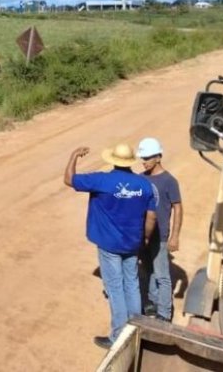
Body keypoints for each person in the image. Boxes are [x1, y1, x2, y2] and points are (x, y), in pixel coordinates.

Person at [65, 142, 157, 350]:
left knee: (115, 288)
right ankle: (136, 331)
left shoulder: (102, 180)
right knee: (132, 285)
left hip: (109, 244)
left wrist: (73, 156)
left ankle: (119, 336)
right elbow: (151, 216)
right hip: (132, 242)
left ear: (113, 160)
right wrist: (145, 239)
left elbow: (69, 179)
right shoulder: (144, 185)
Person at [137, 137, 182, 322]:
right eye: (142, 157)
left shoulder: (169, 181)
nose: (144, 161)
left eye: (147, 157)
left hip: (161, 236)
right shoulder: (140, 178)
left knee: (162, 275)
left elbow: (177, 207)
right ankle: (152, 304)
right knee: (147, 270)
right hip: (143, 235)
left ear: (158, 157)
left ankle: (164, 313)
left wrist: (174, 236)